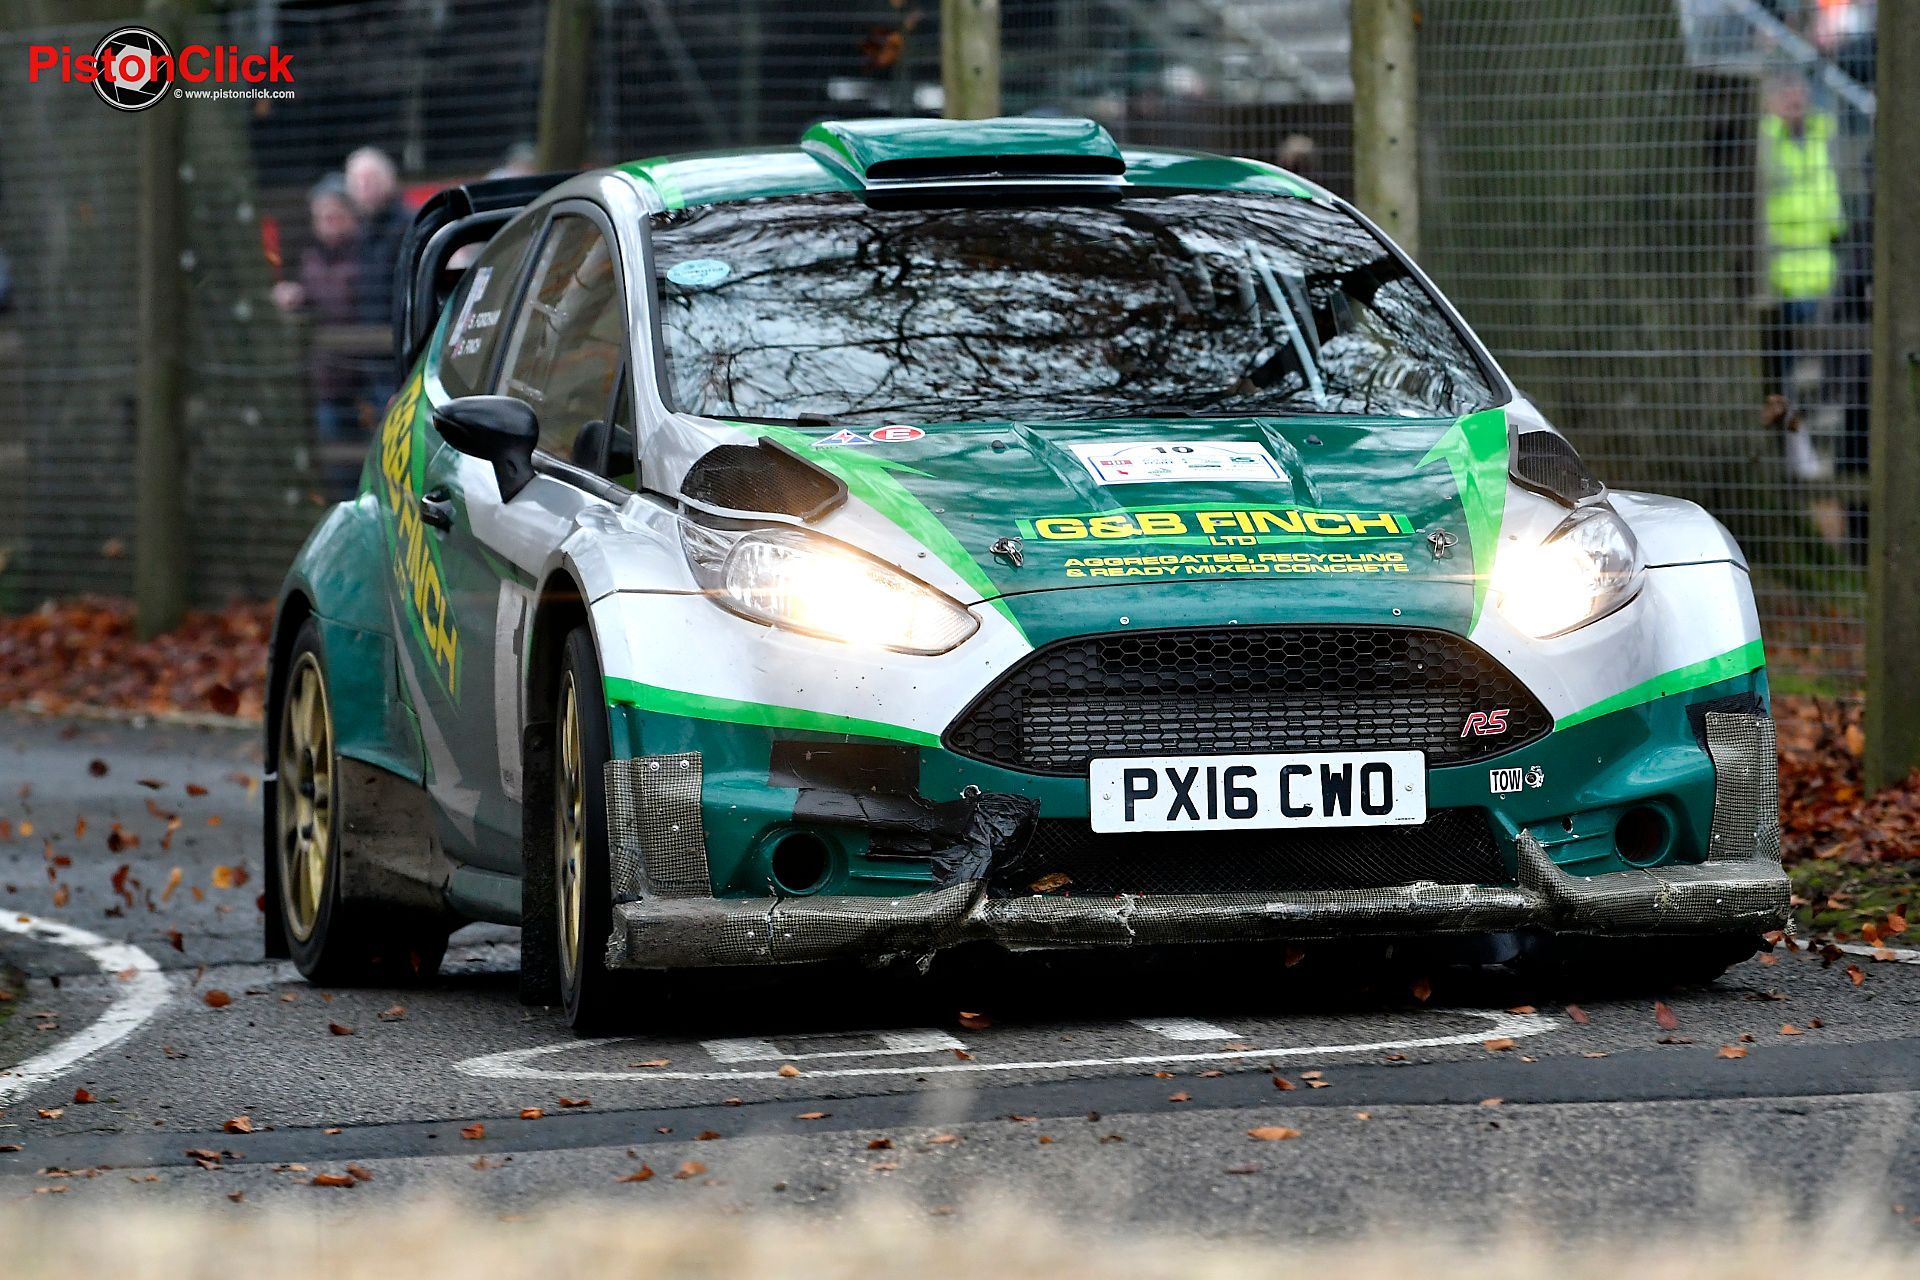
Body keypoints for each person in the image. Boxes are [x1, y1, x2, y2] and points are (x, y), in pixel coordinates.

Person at [1758, 73, 1845, 481]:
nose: (1795, 99)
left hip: (1823, 271)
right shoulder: (1766, 140)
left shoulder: (1822, 134)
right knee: (1789, 373)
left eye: (1800, 91)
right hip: (1785, 275)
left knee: (1823, 370)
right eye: (1785, 92)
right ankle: (1798, 454)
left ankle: (1811, 451)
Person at [273, 175, 365, 498]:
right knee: (336, 459)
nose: (328, 223)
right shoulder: (310, 259)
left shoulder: (365, 254)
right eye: (322, 217)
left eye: (334, 215)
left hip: (367, 374)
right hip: (329, 377)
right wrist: (295, 295)